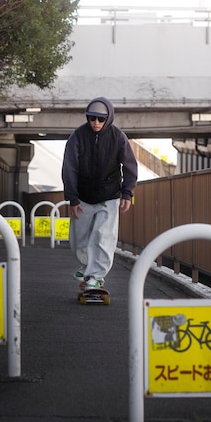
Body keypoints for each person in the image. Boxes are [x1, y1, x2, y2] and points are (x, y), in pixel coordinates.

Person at [62, 97, 138, 291]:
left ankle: (96, 275)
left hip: (109, 195)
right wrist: (72, 198)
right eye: (91, 118)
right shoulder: (78, 136)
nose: (96, 123)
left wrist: (127, 193)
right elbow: (69, 168)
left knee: (104, 237)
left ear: (109, 118)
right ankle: (88, 266)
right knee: (79, 239)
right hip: (82, 197)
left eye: (101, 119)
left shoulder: (118, 137)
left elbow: (130, 165)